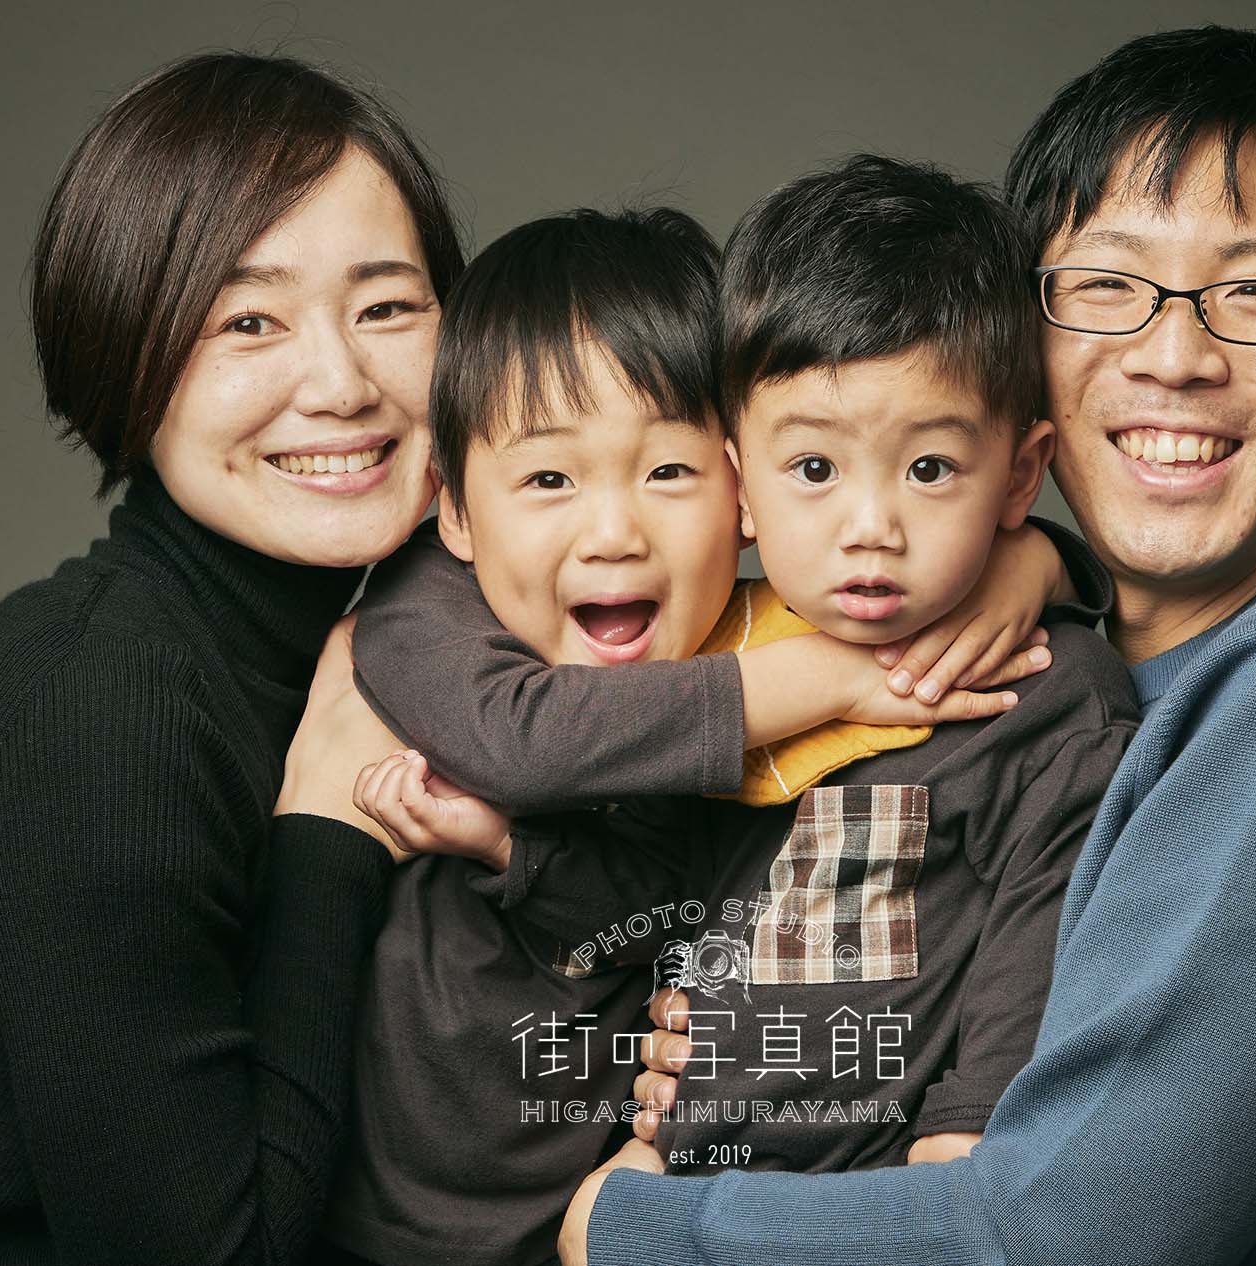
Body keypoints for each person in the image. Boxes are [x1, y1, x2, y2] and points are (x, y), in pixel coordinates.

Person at [560, 26, 1256, 1266]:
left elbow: (1082, 1229)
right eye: (1106, 286)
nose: (1174, 355)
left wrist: (636, 1227)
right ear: (1027, 350)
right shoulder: (1033, 659)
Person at [0, 53, 462, 1265]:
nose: (340, 384)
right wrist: (331, 824)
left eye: (387, 306)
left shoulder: (405, 651)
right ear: (125, 351)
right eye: (247, 321)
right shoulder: (95, 705)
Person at [315, 203, 1073, 1266]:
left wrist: (1033, 556)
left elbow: (646, 910)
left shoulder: (750, 626)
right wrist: (827, 675)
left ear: (741, 484)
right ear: (453, 508)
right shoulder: (426, 609)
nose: (614, 532)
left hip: (617, 1208)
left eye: (670, 473)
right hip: (390, 1227)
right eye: (547, 478)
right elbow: (532, 743)